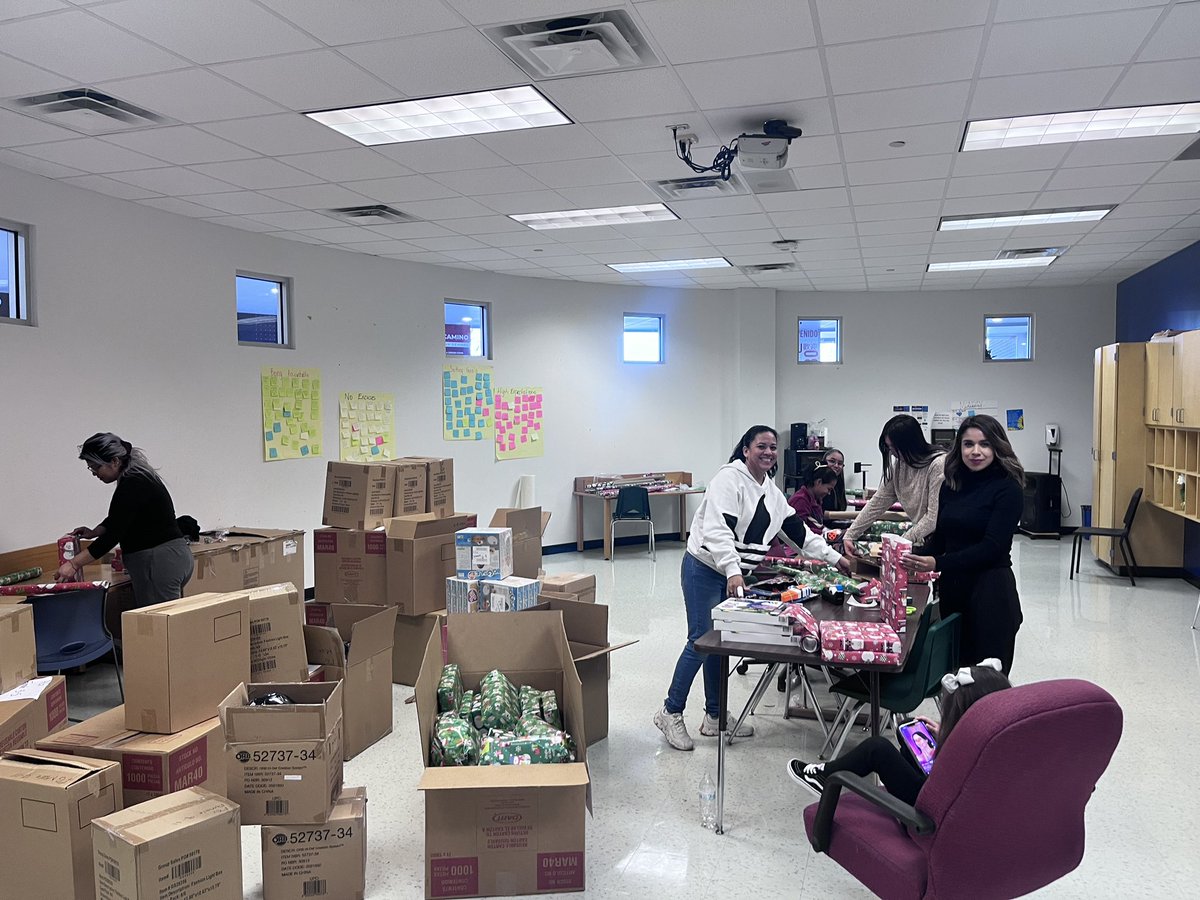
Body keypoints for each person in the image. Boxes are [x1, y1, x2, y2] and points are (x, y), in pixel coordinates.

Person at [655, 426, 852, 751]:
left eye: (773, 447)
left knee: (721, 642)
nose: (769, 452)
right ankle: (670, 711)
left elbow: (797, 532)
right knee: (701, 640)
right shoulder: (727, 479)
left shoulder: (771, 493)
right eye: (761, 445)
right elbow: (717, 529)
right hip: (703, 567)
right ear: (746, 449)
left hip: (731, 574)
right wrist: (733, 571)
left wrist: (834, 558)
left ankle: (715, 716)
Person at [787, 660, 1011, 804]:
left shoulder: (964, 755)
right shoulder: (991, 745)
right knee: (911, 732)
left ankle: (824, 777)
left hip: (925, 815)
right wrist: (945, 734)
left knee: (878, 749)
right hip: (944, 799)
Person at [902, 415, 1024, 673]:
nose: (975, 451)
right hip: (954, 592)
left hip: (990, 594)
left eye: (985, 444)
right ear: (959, 448)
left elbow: (993, 548)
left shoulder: (1008, 488)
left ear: (997, 447)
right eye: (968, 444)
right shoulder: (952, 484)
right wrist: (909, 555)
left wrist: (937, 562)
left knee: (987, 681)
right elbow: (943, 538)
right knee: (956, 675)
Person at [56, 433, 194, 605]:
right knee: (166, 623)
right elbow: (123, 517)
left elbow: (112, 536)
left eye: (96, 468)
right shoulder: (138, 477)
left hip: (158, 562)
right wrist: (96, 531)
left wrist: (74, 564)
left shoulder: (132, 484)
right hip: (172, 558)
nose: (94, 474)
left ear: (114, 461)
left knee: (158, 626)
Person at [843, 415, 944, 552]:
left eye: (894, 447)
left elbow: (933, 518)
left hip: (945, 541)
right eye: (889, 447)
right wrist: (850, 535)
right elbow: (878, 502)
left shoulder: (938, 464)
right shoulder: (900, 465)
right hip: (924, 540)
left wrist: (901, 542)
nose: (892, 453)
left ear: (909, 444)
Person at [791, 464, 840, 533]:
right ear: (819, 482)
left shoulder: (816, 500)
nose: (829, 493)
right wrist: (825, 533)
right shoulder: (800, 500)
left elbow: (817, 525)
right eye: (829, 489)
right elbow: (798, 530)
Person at [819, 448, 849, 520]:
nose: (836, 465)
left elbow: (842, 508)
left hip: (835, 524)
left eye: (840, 463)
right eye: (832, 461)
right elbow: (818, 513)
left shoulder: (839, 484)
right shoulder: (818, 483)